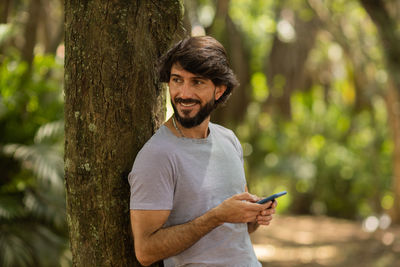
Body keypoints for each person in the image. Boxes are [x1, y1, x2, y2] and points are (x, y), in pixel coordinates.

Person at [128, 36, 277, 267]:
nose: (184, 93)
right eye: (177, 80)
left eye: (197, 82)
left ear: (219, 90)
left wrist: (256, 215)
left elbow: (236, 229)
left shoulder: (229, 140)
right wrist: (217, 216)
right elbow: (145, 251)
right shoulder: (157, 156)